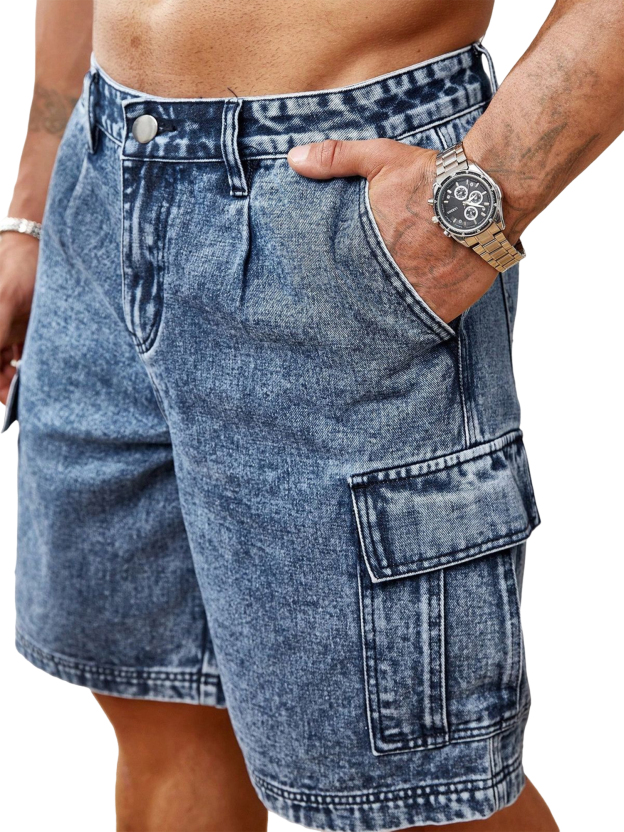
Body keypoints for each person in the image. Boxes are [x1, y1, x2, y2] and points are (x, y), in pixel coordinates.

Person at [0, 0, 621, 829]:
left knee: (416, 791)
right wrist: (33, 209)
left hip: (331, 200)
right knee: (158, 707)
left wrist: (476, 200)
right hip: (99, 181)